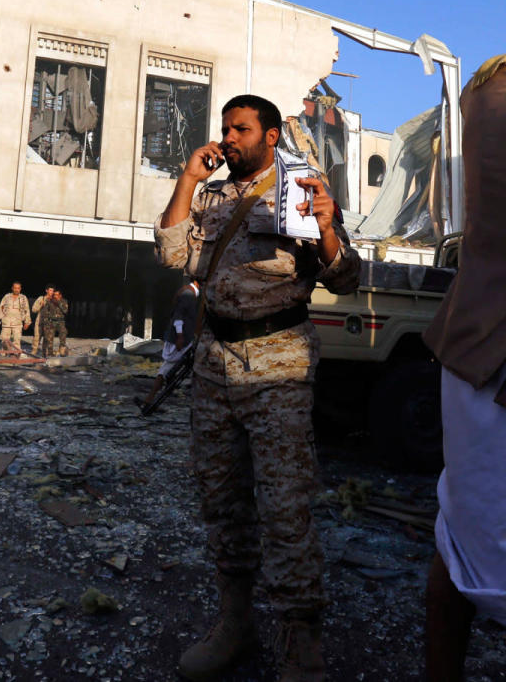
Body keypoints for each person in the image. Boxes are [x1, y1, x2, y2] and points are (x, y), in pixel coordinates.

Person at [154, 94, 360, 681]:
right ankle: (236, 624)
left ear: (271, 136)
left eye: (241, 128)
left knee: (286, 506)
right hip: (215, 363)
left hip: (278, 367)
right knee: (221, 500)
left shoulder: (301, 187)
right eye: (225, 128)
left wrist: (324, 226)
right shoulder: (213, 194)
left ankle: (301, 642)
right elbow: (174, 256)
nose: (229, 137)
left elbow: (345, 278)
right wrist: (188, 180)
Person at [422, 55, 506, 682]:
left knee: (457, 544)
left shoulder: (486, 85)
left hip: (474, 341)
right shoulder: (495, 85)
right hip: (488, 355)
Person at [137, 281, 199, 409]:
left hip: (181, 338)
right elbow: (178, 316)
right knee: (167, 368)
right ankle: (149, 400)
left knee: (166, 369)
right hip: (181, 339)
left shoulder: (187, 293)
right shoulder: (188, 295)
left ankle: (149, 399)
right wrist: (181, 336)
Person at [0, 281, 31, 355]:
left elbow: (26, 310)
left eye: (18, 288)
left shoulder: (23, 298)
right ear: (12, 288)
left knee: (17, 340)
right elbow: (0, 307)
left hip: (17, 323)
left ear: (20, 289)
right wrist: (2, 317)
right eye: (15, 288)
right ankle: (4, 354)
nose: (16, 290)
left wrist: (27, 321)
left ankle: (15, 356)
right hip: (7, 322)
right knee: (5, 340)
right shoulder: (6, 297)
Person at [41, 288, 69, 357]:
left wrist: (59, 302)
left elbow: (65, 311)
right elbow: (45, 313)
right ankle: (50, 354)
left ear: (60, 295)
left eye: (57, 295)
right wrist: (45, 323)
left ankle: (62, 350)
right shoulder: (49, 301)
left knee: (63, 333)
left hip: (60, 322)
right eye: (54, 295)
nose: (55, 296)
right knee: (49, 339)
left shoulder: (64, 301)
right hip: (51, 322)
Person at [31, 284, 54, 355]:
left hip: (49, 324)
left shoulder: (55, 300)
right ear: (46, 290)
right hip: (40, 323)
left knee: (47, 340)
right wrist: (41, 305)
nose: (51, 292)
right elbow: (33, 309)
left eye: (53, 291)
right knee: (36, 338)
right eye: (50, 290)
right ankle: (33, 353)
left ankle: (45, 354)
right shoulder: (41, 299)